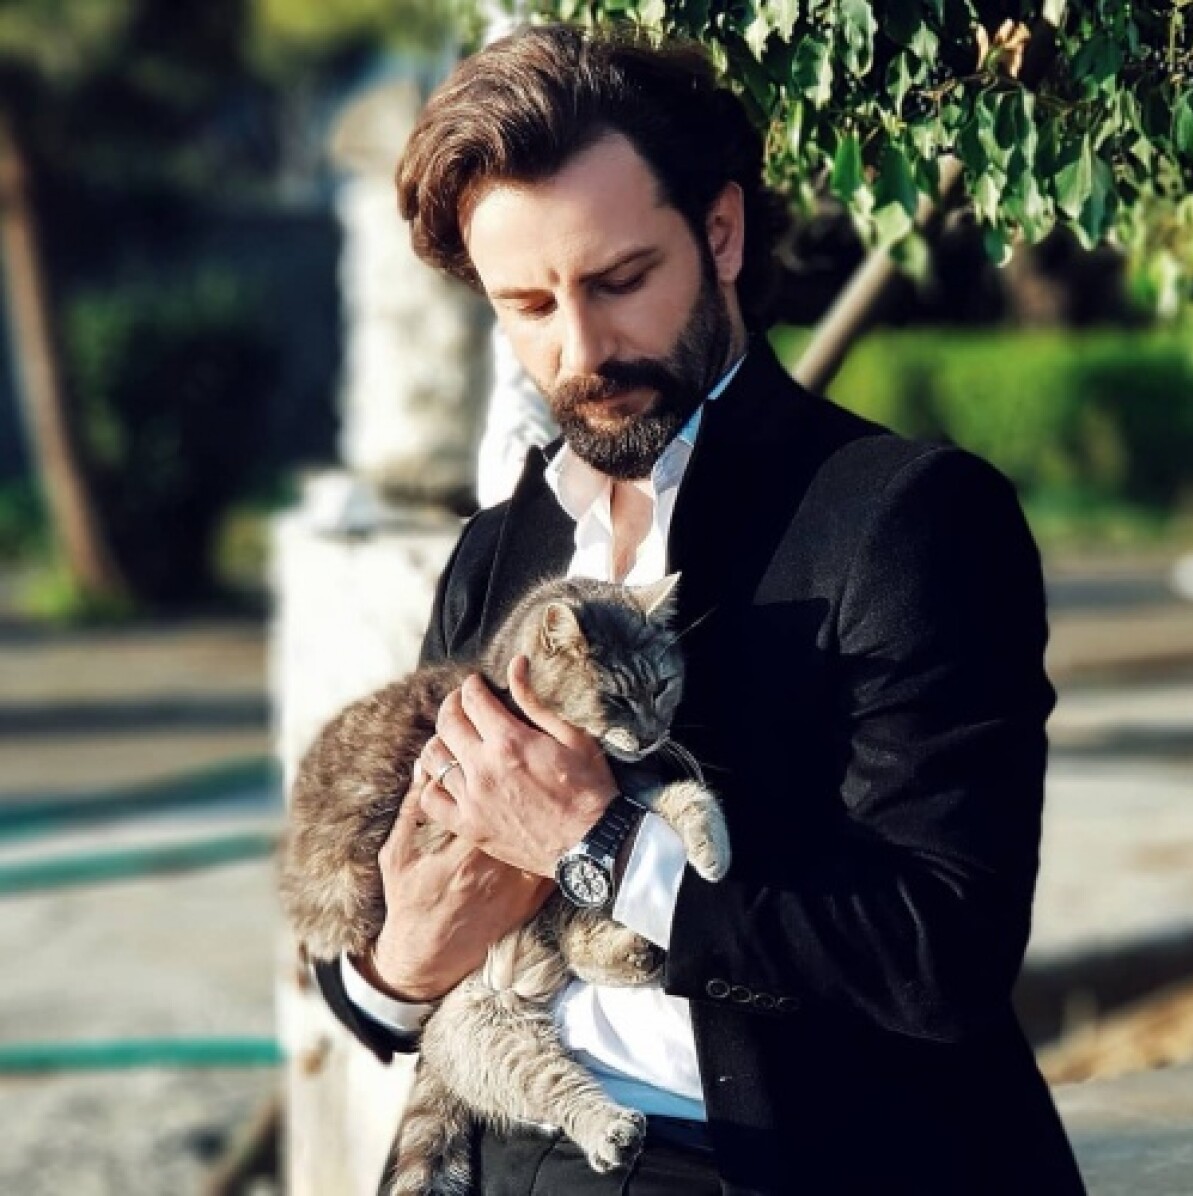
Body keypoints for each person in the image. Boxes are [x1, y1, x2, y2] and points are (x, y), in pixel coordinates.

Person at [313, 23, 1087, 1195]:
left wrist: (595, 844)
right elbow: (383, 982)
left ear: (719, 232)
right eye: (526, 304)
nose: (580, 347)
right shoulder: (495, 549)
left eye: (618, 281)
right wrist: (403, 959)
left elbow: (941, 958)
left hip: (783, 1164)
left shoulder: (907, 517)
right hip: (507, 1144)